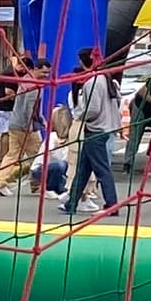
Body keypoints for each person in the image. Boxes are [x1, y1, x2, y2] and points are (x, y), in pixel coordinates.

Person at [63, 59, 124, 221]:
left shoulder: (93, 82)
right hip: (105, 127)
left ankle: (112, 205)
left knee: (102, 170)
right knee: (83, 169)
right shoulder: (107, 79)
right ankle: (71, 203)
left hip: (95, 129)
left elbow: (93, 109)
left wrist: (79, 114)